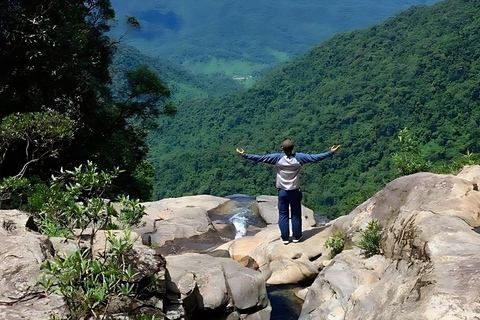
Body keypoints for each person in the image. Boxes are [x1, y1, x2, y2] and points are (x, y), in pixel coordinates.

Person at [236, 139, 341, 244]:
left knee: (283, 215)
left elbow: (261, 158)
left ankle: (285, 238)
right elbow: (315, 158)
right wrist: (331, 152)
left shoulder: (277, 158)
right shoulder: (299, 158)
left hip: (282, 192)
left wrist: (244, 154)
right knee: (296, 214)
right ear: (292, 148)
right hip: (295, 191)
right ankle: (297, 236)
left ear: (282, 149)